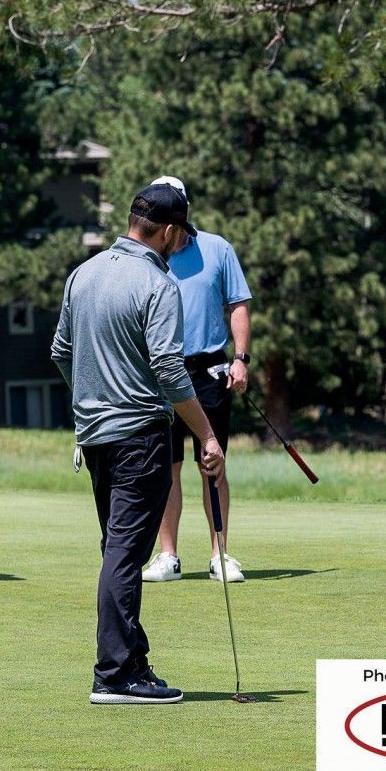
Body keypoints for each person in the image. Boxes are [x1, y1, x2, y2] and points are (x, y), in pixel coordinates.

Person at [52, 182, 226, 705]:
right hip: (141, 438)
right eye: (181, 235)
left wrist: (93, 395)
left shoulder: (84, 273)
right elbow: (171, 372)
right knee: (126, 555)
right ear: (170, 231)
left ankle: (133, 659)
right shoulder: (158, 284)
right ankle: (114, 675)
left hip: (97, 436)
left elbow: (62, 350)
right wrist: (207, 434)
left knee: (118, 550)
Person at [139, 175, 253, 585]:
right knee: (166, 467)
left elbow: (238, 304)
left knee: (213, 461)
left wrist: (240, 359)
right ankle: (168, 556)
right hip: (161, 372)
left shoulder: (218, 249)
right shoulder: (147, 254)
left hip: (209, 371)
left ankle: (219, 554)